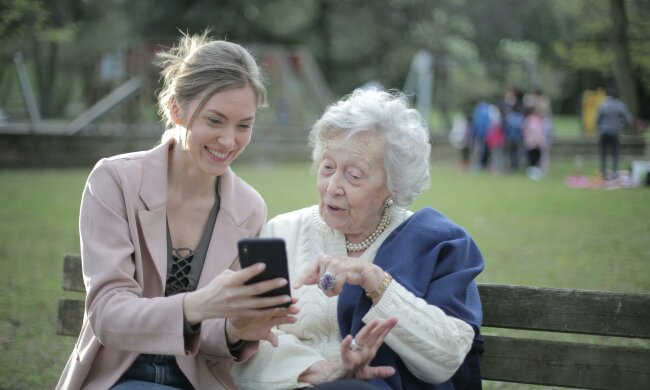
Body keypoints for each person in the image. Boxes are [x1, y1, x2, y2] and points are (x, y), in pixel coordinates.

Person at [57, 32, 299, 390]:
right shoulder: (114, 180)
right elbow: (107, 314)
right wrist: (197, 305)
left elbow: (213, 334)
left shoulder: (249, 207)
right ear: (176, 110)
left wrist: (235, 328)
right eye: (214, 121)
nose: (229, 141)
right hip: (118, 377)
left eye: (243, 125)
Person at [232, 89, 485, 389]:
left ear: (393, 186)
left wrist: (376, 282)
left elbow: (448, 356)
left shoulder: (437, 243)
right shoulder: (282, 232)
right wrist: (320, 370)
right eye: (327, 167)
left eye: (353, 175)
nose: (332, 187)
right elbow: (246, 341)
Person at [596, 86, 633, 179]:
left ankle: (603, 173)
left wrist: (600, 128)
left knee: (603, 154)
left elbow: (597, 120)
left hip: (603, 132)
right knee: (615, 154)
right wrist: (624, 126)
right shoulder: (620, 105)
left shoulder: (603, 105)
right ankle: (615, 174)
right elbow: (629, 119)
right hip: (614, 132)